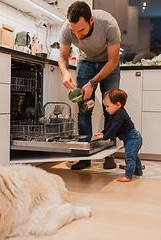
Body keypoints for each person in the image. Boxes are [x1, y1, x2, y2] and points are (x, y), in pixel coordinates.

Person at [58, 1, 121, 170]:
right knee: (84, 109)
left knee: (111, 109)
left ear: (91, 21)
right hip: (85, 62)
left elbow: (113, 60)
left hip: (109, 64)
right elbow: (62, 57)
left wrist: (93, 82)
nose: (77, 35)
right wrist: (65, 72)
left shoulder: (109, 25)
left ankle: (109, 154)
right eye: (74, 31)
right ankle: (84, 157)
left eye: (81, 30)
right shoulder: (67, 28)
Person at [94, 88, 143, 182]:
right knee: (134, 156)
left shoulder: (120, 114)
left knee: (129, 156)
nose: (106, 109)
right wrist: (103, 132)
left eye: (107, 106)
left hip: (133, 138)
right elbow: (110, 125)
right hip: (132, 138)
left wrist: (105, 137)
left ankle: (128, 176)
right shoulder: (116, 113)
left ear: (118, 104)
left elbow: (114, 128)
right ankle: (138, 171)